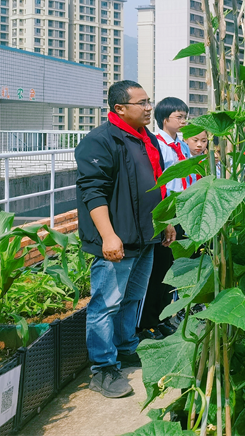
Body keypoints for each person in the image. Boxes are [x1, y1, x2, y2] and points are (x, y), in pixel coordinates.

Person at [75, 80, 176, 398]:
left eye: (149, 101)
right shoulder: (100, 141)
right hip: (117, 240)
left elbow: (159, 182)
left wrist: (165, 221)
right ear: (119, 108)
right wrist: (108, 236)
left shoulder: (146, 139)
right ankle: (102, 369)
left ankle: (125, 347)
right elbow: (93, 191)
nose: (149, 108)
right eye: (142, 103)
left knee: (133, 299)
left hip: (145, 235)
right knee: (106, 303)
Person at [138, 97, 191, 340]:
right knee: (158, 270)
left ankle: (163, 318)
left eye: (184, 116)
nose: (183, 121)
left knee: (173, 270)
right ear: (165, 119)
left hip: (183, 211)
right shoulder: (157, 144)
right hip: (166, 211)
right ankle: (148, 322)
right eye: (179, 117)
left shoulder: (183, 145)